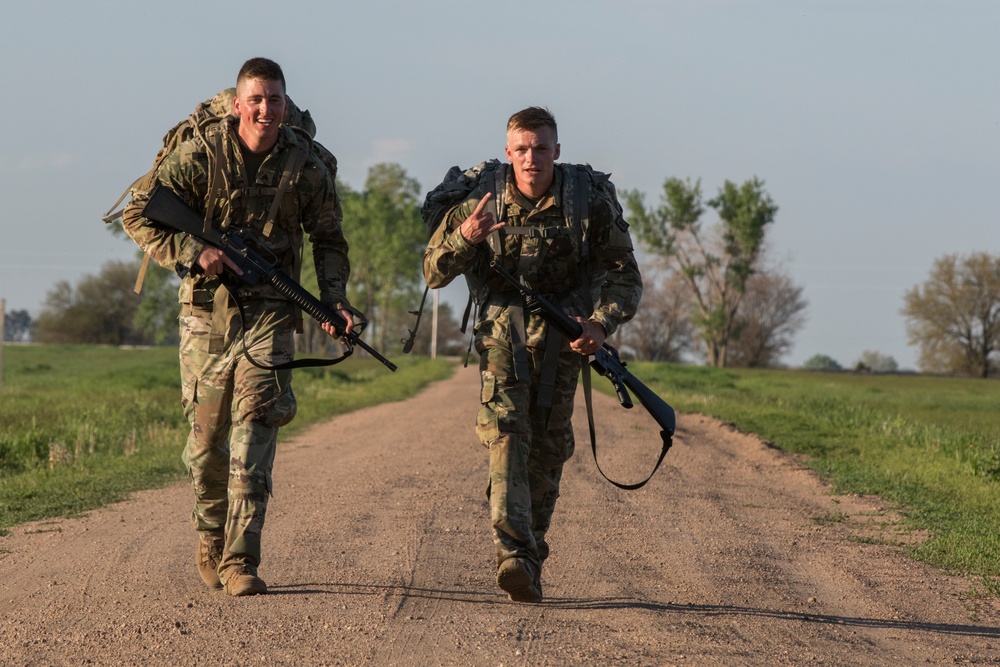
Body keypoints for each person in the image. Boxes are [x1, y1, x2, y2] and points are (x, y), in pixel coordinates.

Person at [122, 57, 355, 597]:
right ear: (237, 104)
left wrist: (336, 301)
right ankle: (209, 534)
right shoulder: (201, 154)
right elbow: (138, 212)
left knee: (255, 435)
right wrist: (191, 249)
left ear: (285, 104)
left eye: (274, 100)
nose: (265, 110)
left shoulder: (307, 166)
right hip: (206, 314)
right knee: (206, 447)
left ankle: (240, 560)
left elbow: (329, 241)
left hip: (272, 311)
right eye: (256, 99)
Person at [423, 107, 642, 602]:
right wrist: (465, 238)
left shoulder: (585, 202)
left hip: (567, 335)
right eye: (521, 149)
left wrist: (601, 323)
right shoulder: (485, 200)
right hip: (505, 331)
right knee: (506, 431)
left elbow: (625, 275)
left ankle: (531, 552)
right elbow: (433, 272)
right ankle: (512, 552)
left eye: (541, 148)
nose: (531, 159)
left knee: (546, 446)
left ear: (557, 151)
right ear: (508, 153)